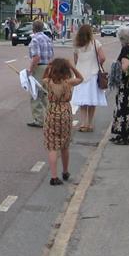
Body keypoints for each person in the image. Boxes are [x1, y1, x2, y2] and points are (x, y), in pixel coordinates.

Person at [42, 57, 83, 185]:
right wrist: (72, 66)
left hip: (51, 113)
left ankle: (53, 177)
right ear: (66, 70)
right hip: (65, 113)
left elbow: (43, 78)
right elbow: (81, 78)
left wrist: (48, 68)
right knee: (64, 146)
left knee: (52, 146)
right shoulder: (68, 83)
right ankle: (65, 171)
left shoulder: (48, 82)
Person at [71, 23, 107, 132]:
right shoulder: (96, 44)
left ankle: (83, 124)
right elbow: (103, 57)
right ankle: (90, 124)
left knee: (83, 102)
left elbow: (76, 61)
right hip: (93, 74)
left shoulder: (77, 45)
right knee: (92, 101)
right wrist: (97, 65)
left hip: (81, 75)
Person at [109, 26, 129, 145]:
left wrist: (117, 70)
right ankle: (125, 133)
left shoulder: (126, 49)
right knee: (128, 108)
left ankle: (123, 134)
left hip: (126, 83)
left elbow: (125, 65)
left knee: (123, 108)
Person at [26, 19, 54, 128]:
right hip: (48, 67)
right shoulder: (48, 39)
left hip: (39, 67)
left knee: (35, 93)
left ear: (33, 28)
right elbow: (52, 55)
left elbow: (36, 57)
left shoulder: (35, 40)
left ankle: (39, 120)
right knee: (45, 93)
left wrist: (31, 70)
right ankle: (53, 115)